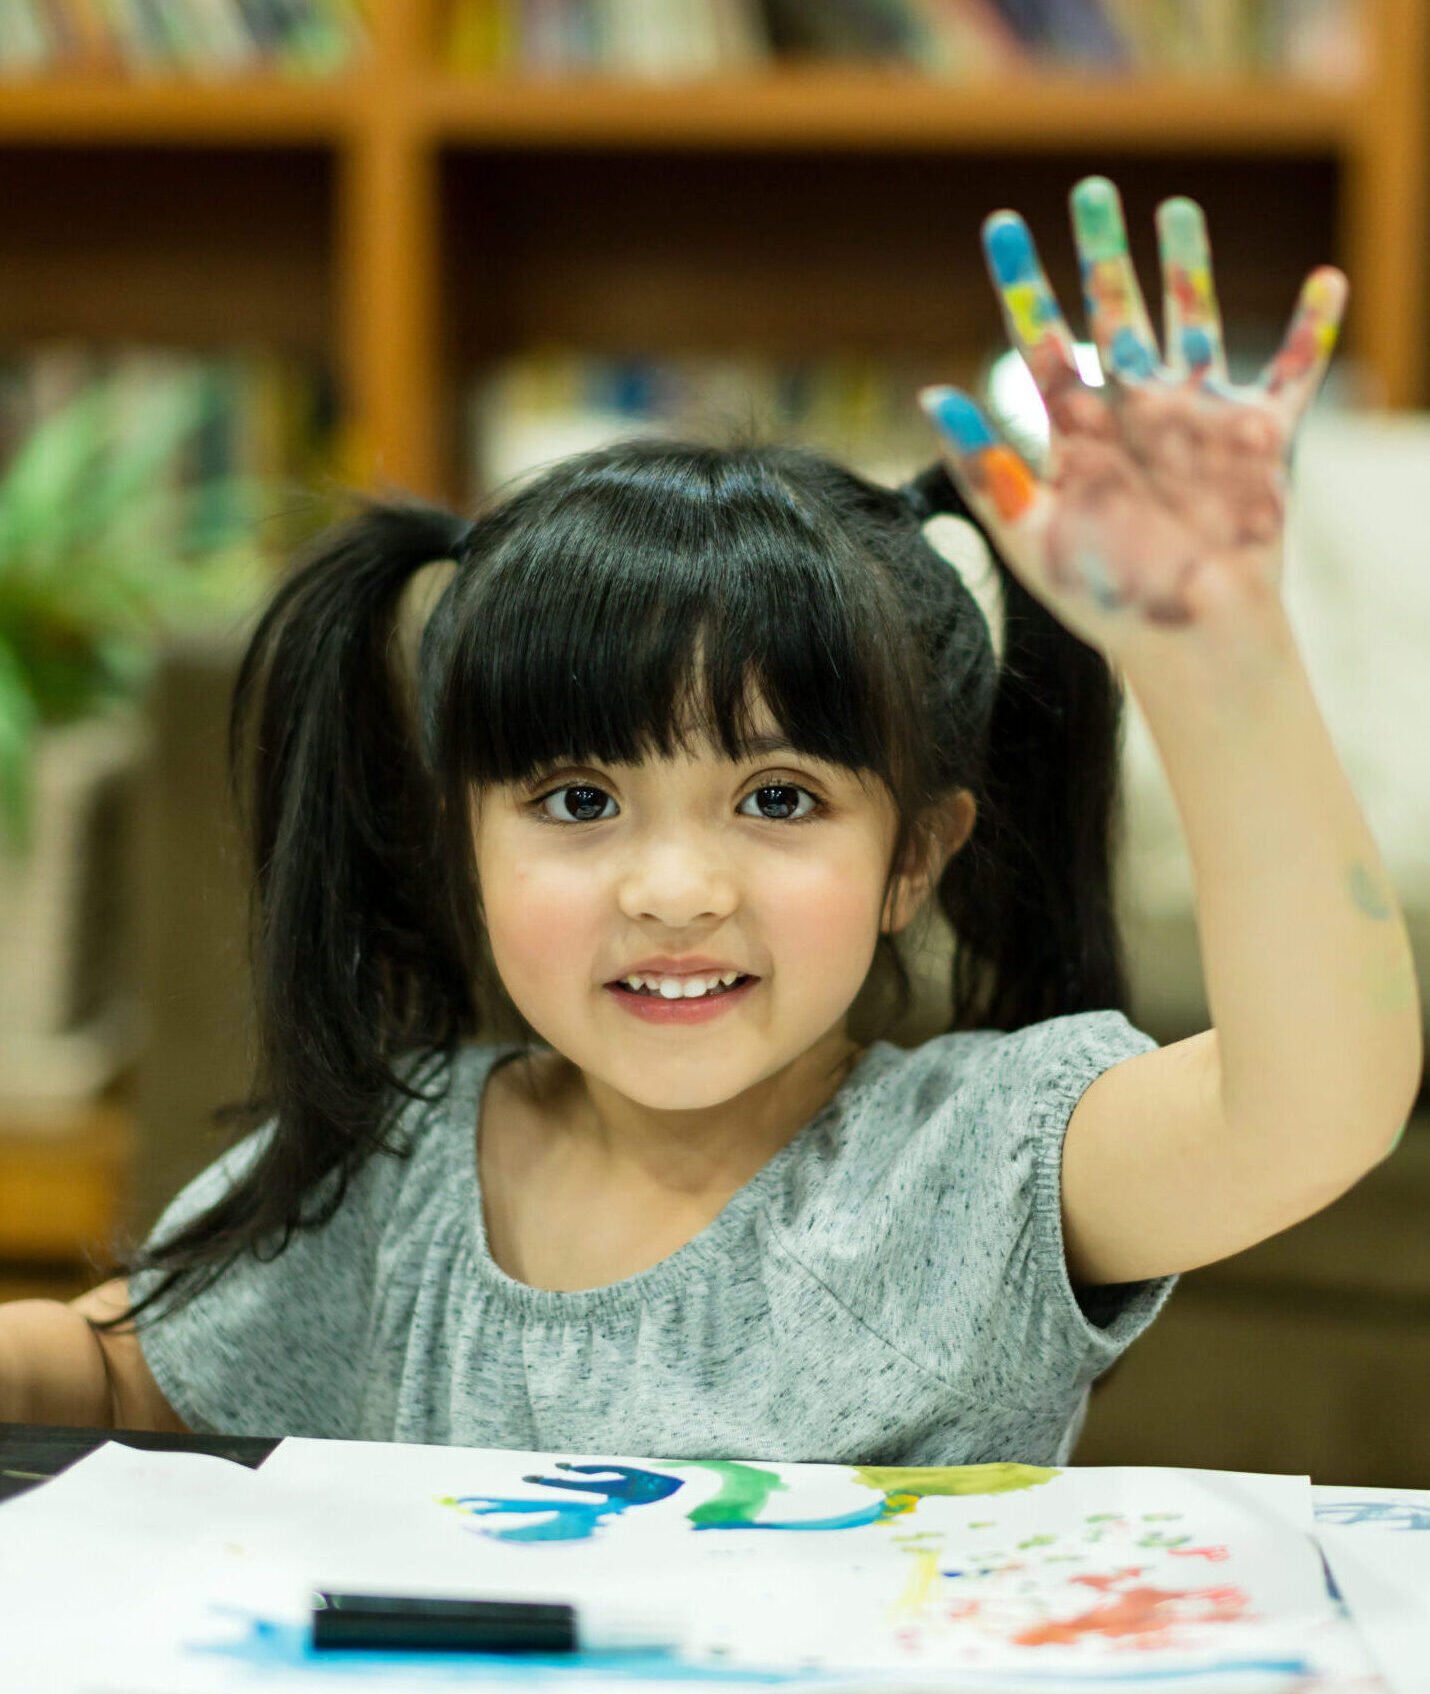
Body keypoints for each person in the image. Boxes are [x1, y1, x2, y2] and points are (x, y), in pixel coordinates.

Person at [0, 177, 1419, 1464]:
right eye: (577, 799)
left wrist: (1219, 665)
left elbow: (1306, 1111)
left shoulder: (973, 1164)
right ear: (465, 840)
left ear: (913, 855)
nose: (675, 886)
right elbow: (118, 1376)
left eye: (777, 798)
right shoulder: (393, 1165)